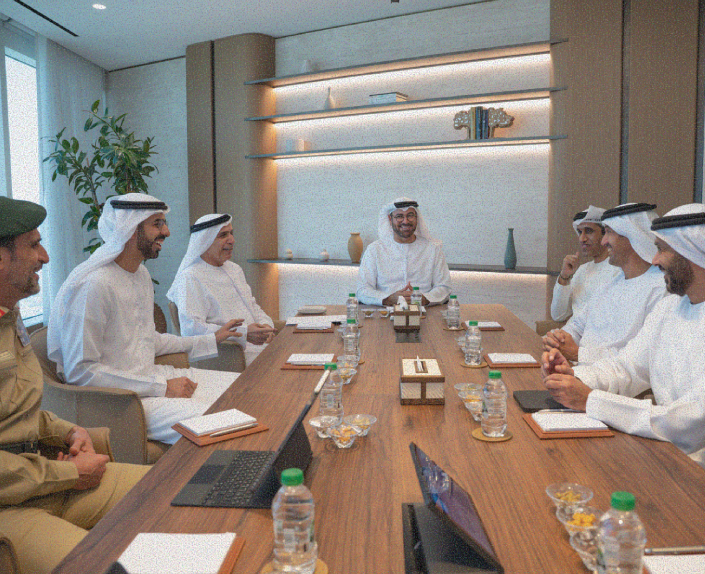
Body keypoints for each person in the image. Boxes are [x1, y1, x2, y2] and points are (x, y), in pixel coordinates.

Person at [0, 196, 148, 574]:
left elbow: (15, 408)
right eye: (33, 245)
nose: (45, 257)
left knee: (171, 491)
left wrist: (69, 431)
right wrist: (70, 474)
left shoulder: (8, 315)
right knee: (110, 569)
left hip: (44, 478)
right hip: (10, 507)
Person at [47, 193, 242, 445]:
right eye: (157, 224)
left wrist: (210, 339)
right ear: (130, 229)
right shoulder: (94, 285)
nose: (167, 232)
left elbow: (148, 340)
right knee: (223, 420)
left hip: (152, 379)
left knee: (244, 388)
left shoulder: (141, 275)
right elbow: (81, 371)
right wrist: (162, 387)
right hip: (124, 402)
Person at [542, 203, 705, 467]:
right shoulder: (670, 307)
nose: (655, 260)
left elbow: (689, 423)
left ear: (692, 253)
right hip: (664, 451)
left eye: (662, 250)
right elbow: (628, 367)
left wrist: (591, 400)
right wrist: (574, 376)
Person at [543, 203, 666, 365]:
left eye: (609, 232)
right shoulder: (611, 282)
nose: (604, 242)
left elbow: (641, 358)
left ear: (632, 237)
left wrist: (578, 354)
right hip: (580, 369)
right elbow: (577, 324)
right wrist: (559, 338)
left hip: (608, 378)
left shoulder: (661, 288)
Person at [167, 213, 275, 367]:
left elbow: (252, 307)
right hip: (231, 355)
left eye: (231, 233)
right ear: (205, 241)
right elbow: (192, 330)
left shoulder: (234, 269)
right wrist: (243, 333)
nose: (232, 240)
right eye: (223, 235)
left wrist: (266, 326)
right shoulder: (190, 277)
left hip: (259, 347)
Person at [356, 198, 451, 306]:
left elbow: (444, 287)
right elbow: (362, 289)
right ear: (390, 219)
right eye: (399, 216)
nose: (405, 221)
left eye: (410, 215)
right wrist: (387, 299)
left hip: (424, 311)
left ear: (416, 218)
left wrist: (425, 299)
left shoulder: (433, 249)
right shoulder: (374, 250)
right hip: (385, 311)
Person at [550, 205, 621, 321]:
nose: (582, 239)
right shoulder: (581, 270)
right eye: (579, 232)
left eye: (588, 231)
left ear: (605, 234)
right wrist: (564, 277)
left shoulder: (619, 270)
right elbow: (558, 315)